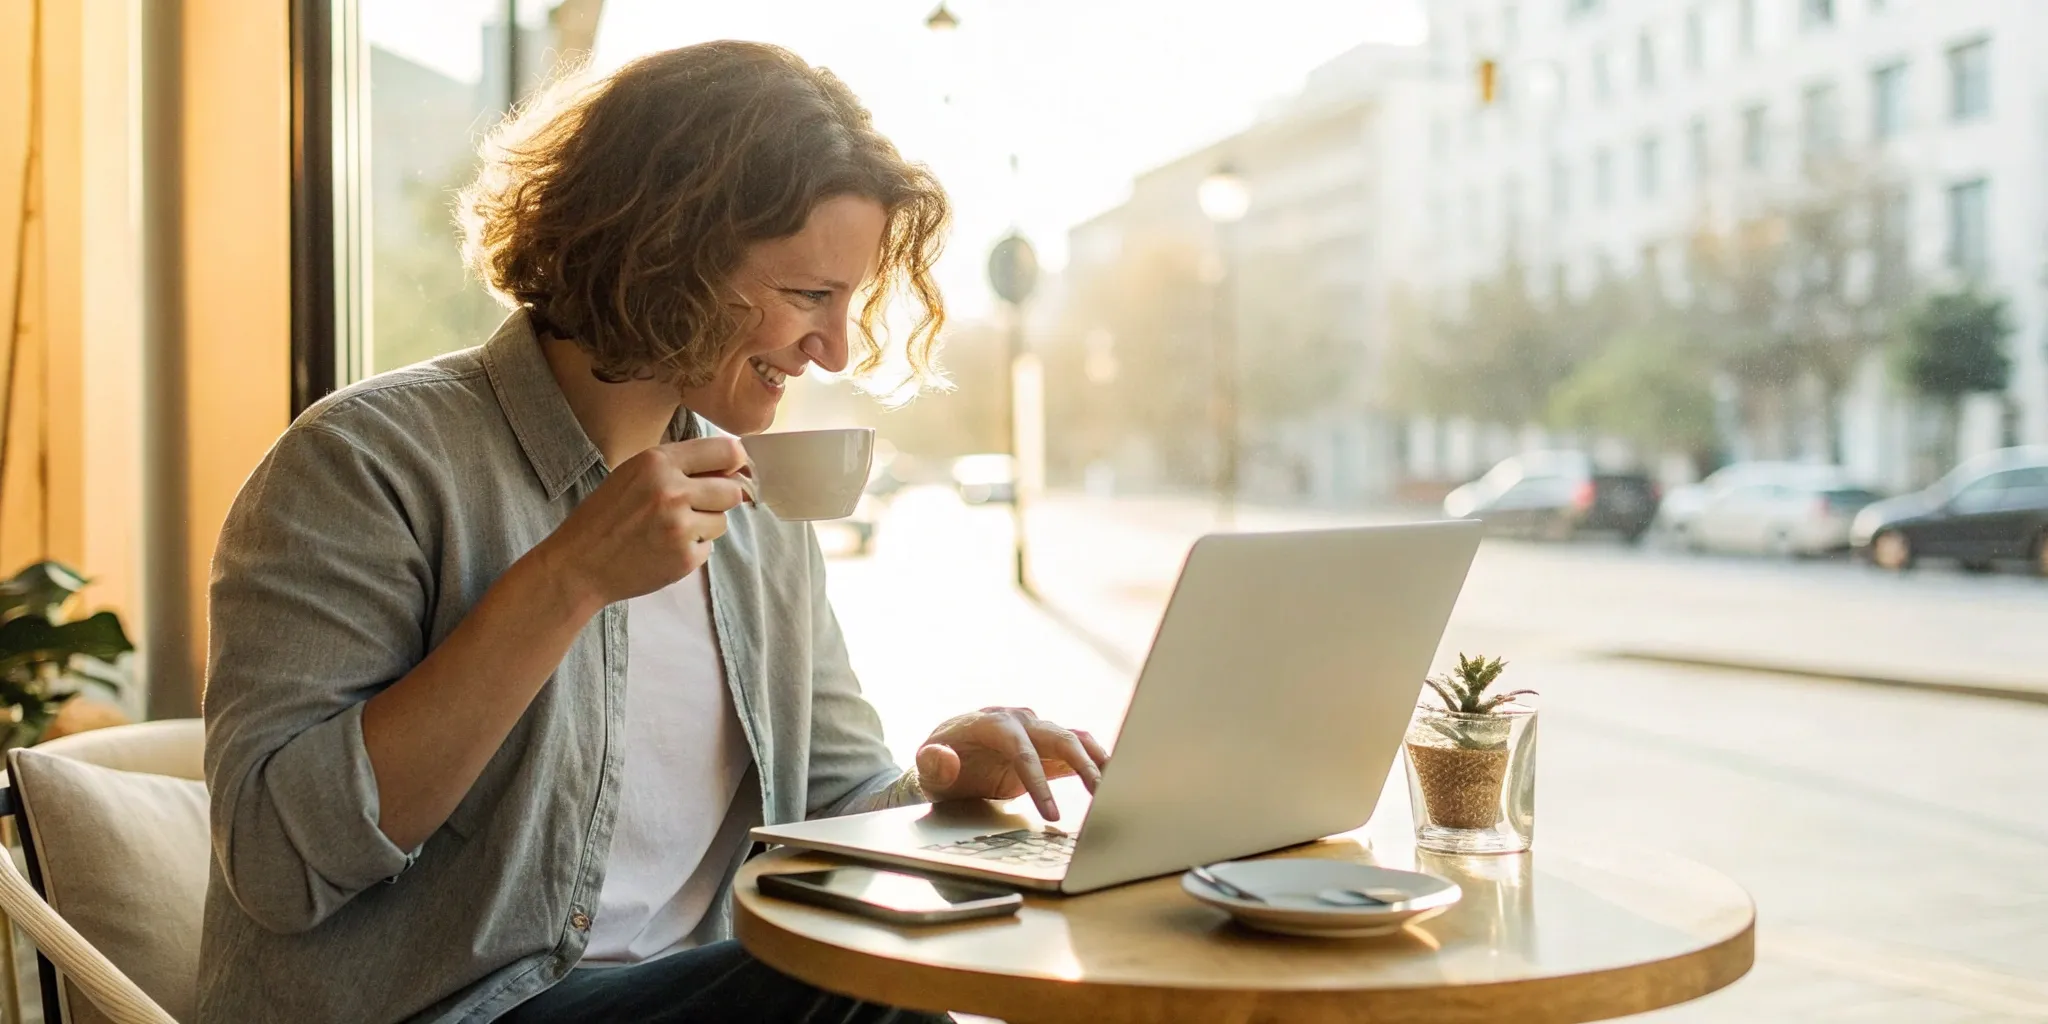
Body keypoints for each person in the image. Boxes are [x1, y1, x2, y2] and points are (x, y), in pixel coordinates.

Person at [197, 41, 1105, 1024]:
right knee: (846, 974)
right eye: (810, 296)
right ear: (665, 251)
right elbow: (277, 863)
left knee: (885, 961)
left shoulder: (759, 505)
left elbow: (833, 813)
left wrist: (941, 779)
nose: (835, 347)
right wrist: (566, 581)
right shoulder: (368, 463)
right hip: (446, 1011)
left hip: (696, 997)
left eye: (848, 302)